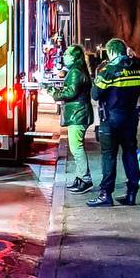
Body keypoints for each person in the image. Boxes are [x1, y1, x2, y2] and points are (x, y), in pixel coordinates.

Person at [88, 38, 140, 207]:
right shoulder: (138, 70)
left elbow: (95, 95)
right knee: (130, 154)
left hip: (111, 119)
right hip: (131, 118)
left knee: (108, 156)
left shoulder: (108, 71)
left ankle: (105, 195)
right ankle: (131, 194)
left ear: (112, 52)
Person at [51, 45, 94, 193]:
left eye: (67, 54)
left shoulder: (75, 72)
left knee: (77, 148)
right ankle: (80, 177)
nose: (64, 56)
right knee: (76, 147)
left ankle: (85, 179)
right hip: (79, 113)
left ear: (74, 57)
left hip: (78, 114)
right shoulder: (78, 70)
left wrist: (53, 92)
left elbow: (70, 92)